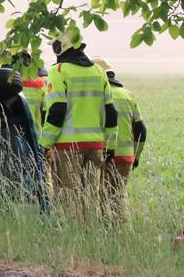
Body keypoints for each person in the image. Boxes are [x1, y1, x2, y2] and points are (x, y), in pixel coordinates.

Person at [39, 30, 118, 215]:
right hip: (96, 147)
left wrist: (45, 144)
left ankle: (72, 240)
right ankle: (91, 238)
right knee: (91, 199)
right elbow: (111, 113)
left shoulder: (59, 71)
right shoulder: (99, 71)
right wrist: (110, 145)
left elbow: (56, 111)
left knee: (68, 202)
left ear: (61, 47)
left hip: (67, 149)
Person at [93, 56, 146, 221]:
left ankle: (107, 232)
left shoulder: (97, 96)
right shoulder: (128, 95)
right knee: (118, 195)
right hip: (127, 156)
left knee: (102, 196)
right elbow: (142, 130)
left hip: (105, 154)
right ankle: (123, 231)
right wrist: (136, 157)